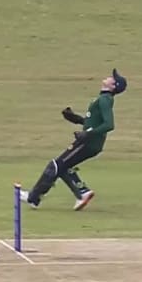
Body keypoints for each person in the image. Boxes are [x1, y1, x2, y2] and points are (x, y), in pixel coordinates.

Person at [20, 68, 127, 210]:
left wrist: (87, 134)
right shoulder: (103, 99)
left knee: (56, 165)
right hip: (91, 142)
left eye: (112, 78)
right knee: (64, 166)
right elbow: (94, 122)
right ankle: (83, 192)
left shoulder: (105, 100)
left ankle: (33, 198)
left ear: (113, 86)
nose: (109, 77)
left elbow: (109, 124)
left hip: (88, 143)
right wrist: (76, 119)